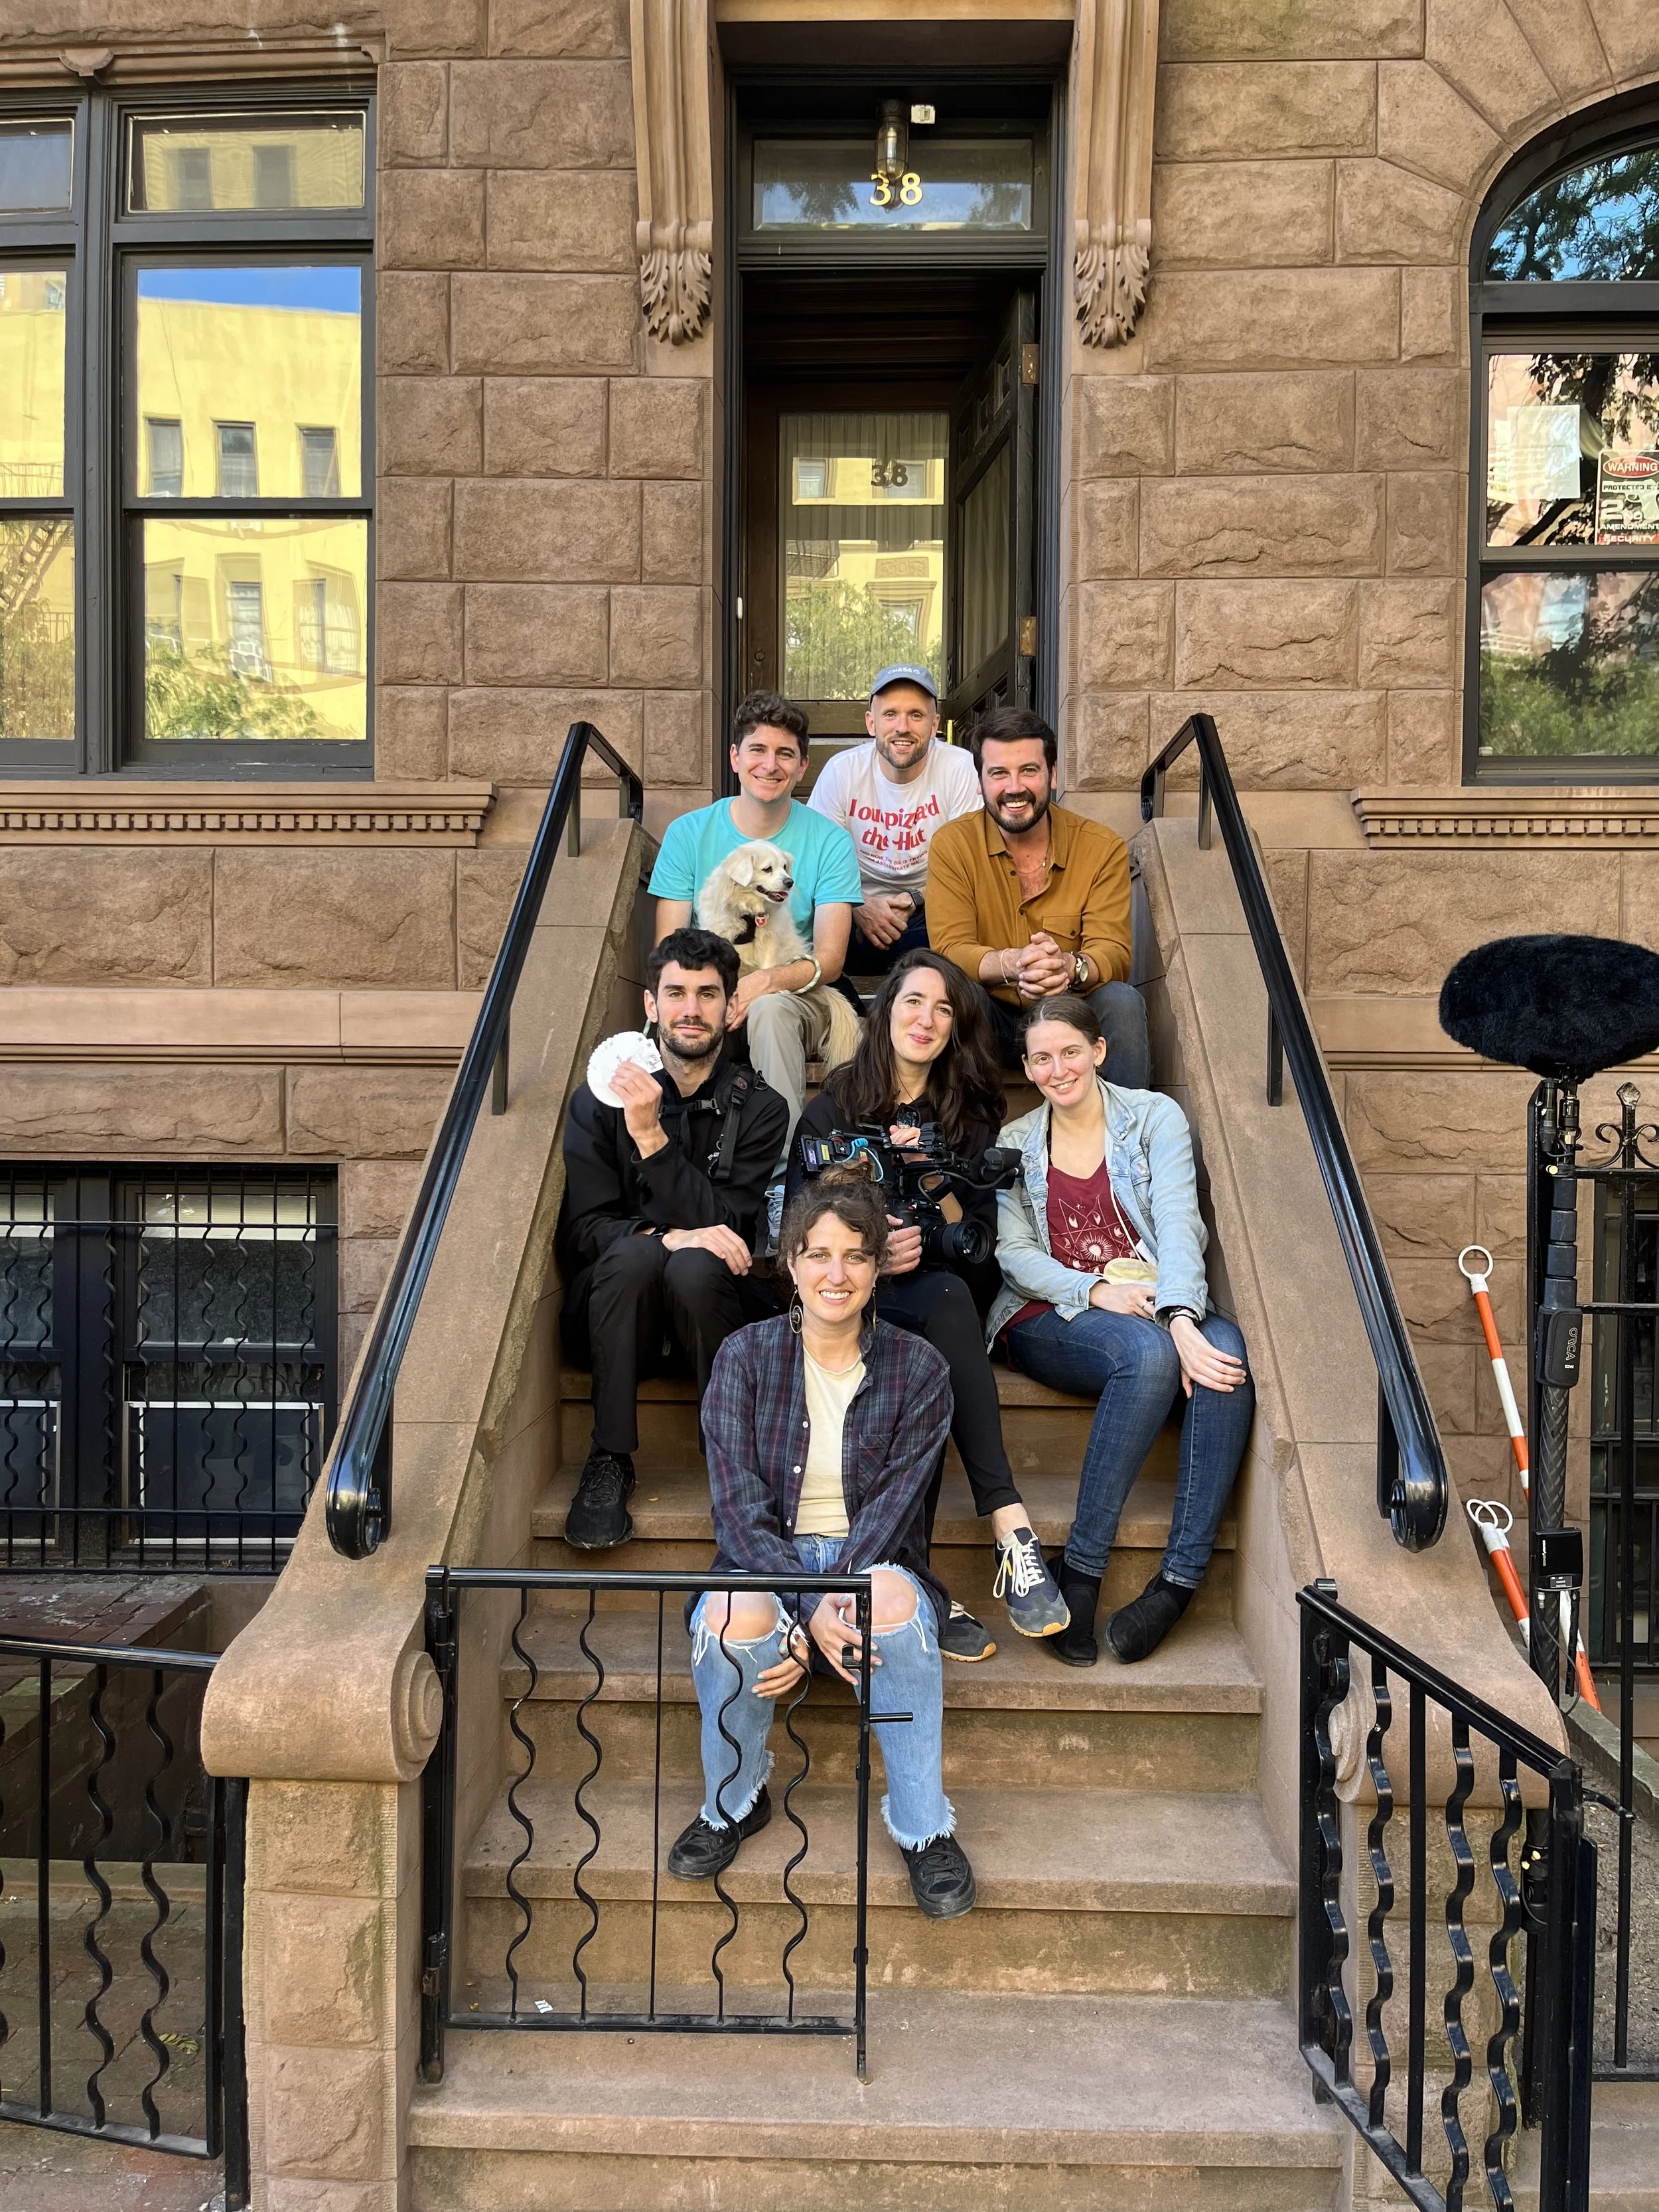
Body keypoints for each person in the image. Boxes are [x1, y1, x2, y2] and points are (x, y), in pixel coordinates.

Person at [666, 1177, 977, 1919]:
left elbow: (895, 1515)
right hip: (763, 1555)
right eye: (818, 1255)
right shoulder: (743, 1359)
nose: (835, 1275)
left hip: (872, 1554)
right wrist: (806, 1612)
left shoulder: (920, 1371)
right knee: (736, 1617)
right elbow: (737, 1516)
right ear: (791, 1262)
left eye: (855, 1257)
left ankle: (922, 1827)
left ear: (876, 1270)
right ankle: (732, 1805)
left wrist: (837, 1595)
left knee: (893, 1607)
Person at [785, 949, 1068, 1660]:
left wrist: (924, 1184)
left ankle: (1004, 1533)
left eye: (944, 1008)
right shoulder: (834, 1108)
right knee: (924, 1333)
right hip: (847, 1294)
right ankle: (965, 1551)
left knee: (943, 1307)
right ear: (886, 1012)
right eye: (914, 1001)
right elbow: (796, 1228)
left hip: (937, 1290)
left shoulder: (969, 1115)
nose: (927, 1018)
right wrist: (872, 1253)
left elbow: (976, 1243)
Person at [989, 995, 1253, 1666]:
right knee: (1148, 1358)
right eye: (1041, 1058)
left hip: (1153, 1301)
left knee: (1226, 1352)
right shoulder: (1015, 1143)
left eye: (1070, 1052)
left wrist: (1183, 1316)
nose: (1058, 1068)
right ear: (1026, 1067)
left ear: (1098, 1050)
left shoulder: (1153, 1118)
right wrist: (1096, 1290)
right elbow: (1014, 1257)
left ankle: (1178, 1580)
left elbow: (1177, 1224)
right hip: (1050, 1314)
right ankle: (1080, 1570)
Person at [555, 928, 789, 1550]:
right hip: (611, 1307)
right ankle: (609, 1456)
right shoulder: (598, 1100)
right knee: (636, 1254)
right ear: (651, 1005)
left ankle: (733, 1459)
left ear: (731, 1005)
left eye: (708, 994)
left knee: (694, 1266)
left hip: (704, 1311)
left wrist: (653, 1142)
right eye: (676, 992)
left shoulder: (760, 1108)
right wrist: (670, 1235)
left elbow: (732, 1235)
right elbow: (583, 1233)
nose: (692, 1008)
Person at [651, 690, 863, 1142]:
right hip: (710, 988)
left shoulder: (830, 841)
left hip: (790, 993)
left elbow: (830, 959)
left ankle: (784, 1174)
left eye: (785, 754)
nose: (771, 765)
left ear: (802, 767)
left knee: (768, 1008)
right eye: (758, 750)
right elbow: (666, 952)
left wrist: (762, 983)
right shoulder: (687, 834)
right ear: (735, 757)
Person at [924, 704, 1151, 1088]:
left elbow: (1113, 953)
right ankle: (956, 1141)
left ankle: (1126, 1141)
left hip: (1071, 1016)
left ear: (1053, 774)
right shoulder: (953, 844)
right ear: (981, 782)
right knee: (954, 993)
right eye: (999, 773)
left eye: (1029, 770)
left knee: (1122, 1001)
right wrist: (1011, 963)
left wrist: (1069, 967)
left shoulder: (1101, 846)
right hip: (990, 1018)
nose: (1014, 788)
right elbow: (949, 947)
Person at [807, 663, 981, 976]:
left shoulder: (959, 767)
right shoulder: (842, 771)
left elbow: (971, 864)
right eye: (890, 715)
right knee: (812, 919)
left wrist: (916, 899)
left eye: (916, 715)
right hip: (852, 914)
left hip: (931, 911)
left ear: (934, 724)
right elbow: (816, 861)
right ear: (871, 723)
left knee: (964, 931)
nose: (903, 727)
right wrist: (858, 905)